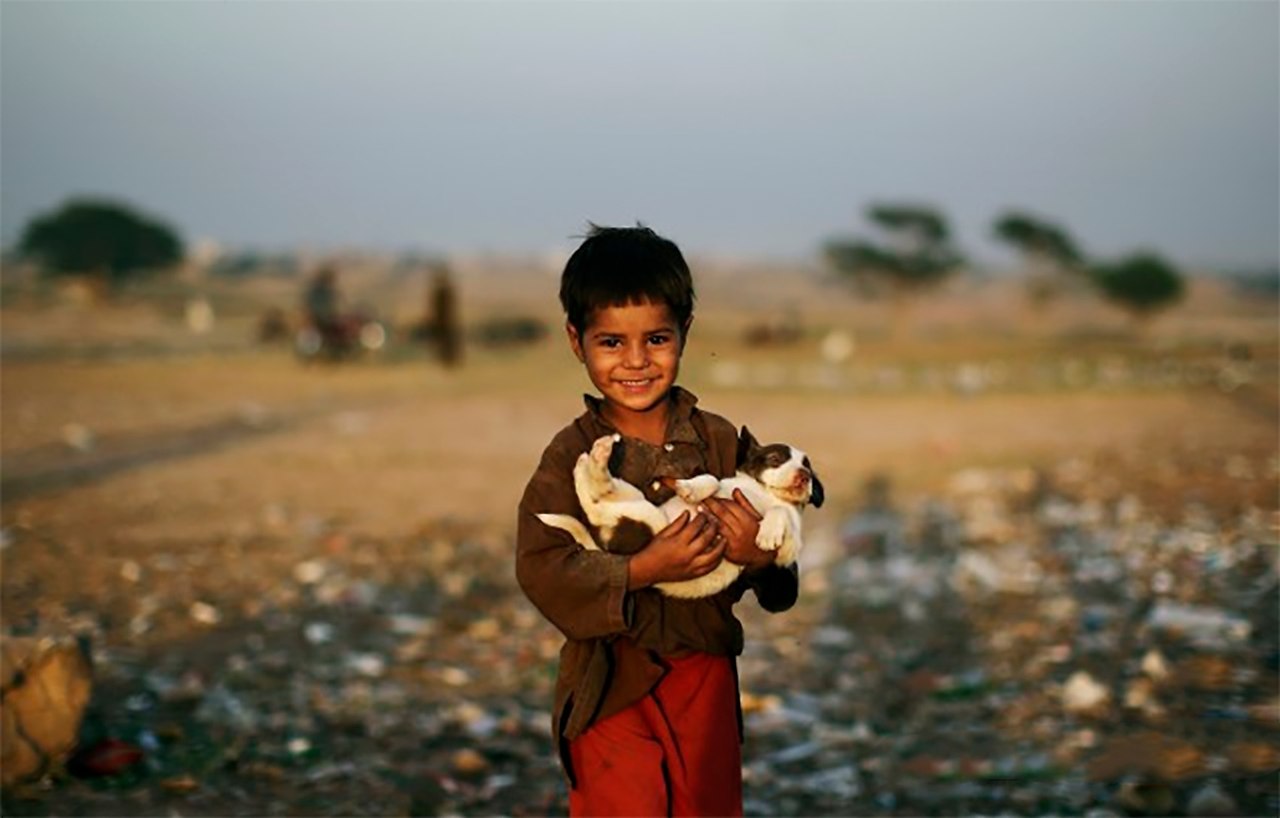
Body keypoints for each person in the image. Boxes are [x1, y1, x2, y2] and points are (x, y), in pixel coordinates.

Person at [515, 224, 799, 816]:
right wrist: (641, 569)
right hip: (608, 684)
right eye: (612, 343)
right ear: (577, 340)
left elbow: (779, 578)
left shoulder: (722, 442)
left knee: (704, 805)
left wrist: (761, 555)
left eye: (658, 339)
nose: (637, 362)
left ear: (685, 334)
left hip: (705, 678)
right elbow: (541, 566)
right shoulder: (572, 454)